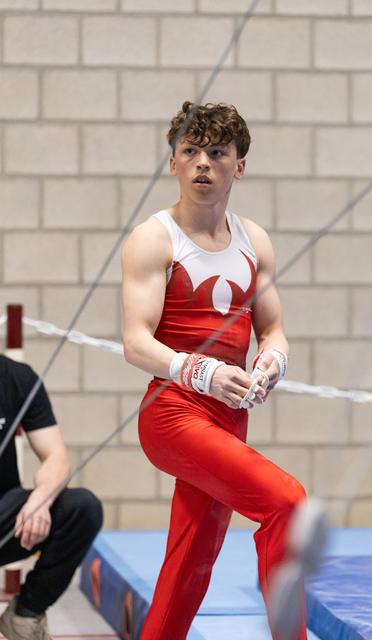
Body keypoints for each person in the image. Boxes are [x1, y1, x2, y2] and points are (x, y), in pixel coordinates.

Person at [121, 101, 307, 640]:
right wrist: (196, 370)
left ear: (239, 166)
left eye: (217, 152)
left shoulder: (254, 240)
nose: (203, 163)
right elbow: (135, 342)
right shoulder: (155, 239)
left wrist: (273, 359)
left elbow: (272, 329)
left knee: (191, 565)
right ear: (174, 163)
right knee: (286, 502)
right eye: (190, 151)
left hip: (229, 419)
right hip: (172, 414)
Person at [0, 353, 103, 640]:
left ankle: (24, 616)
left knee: (81, 508)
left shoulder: (18, 377)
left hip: (5, 517)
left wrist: (41, 499)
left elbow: (56, 456)